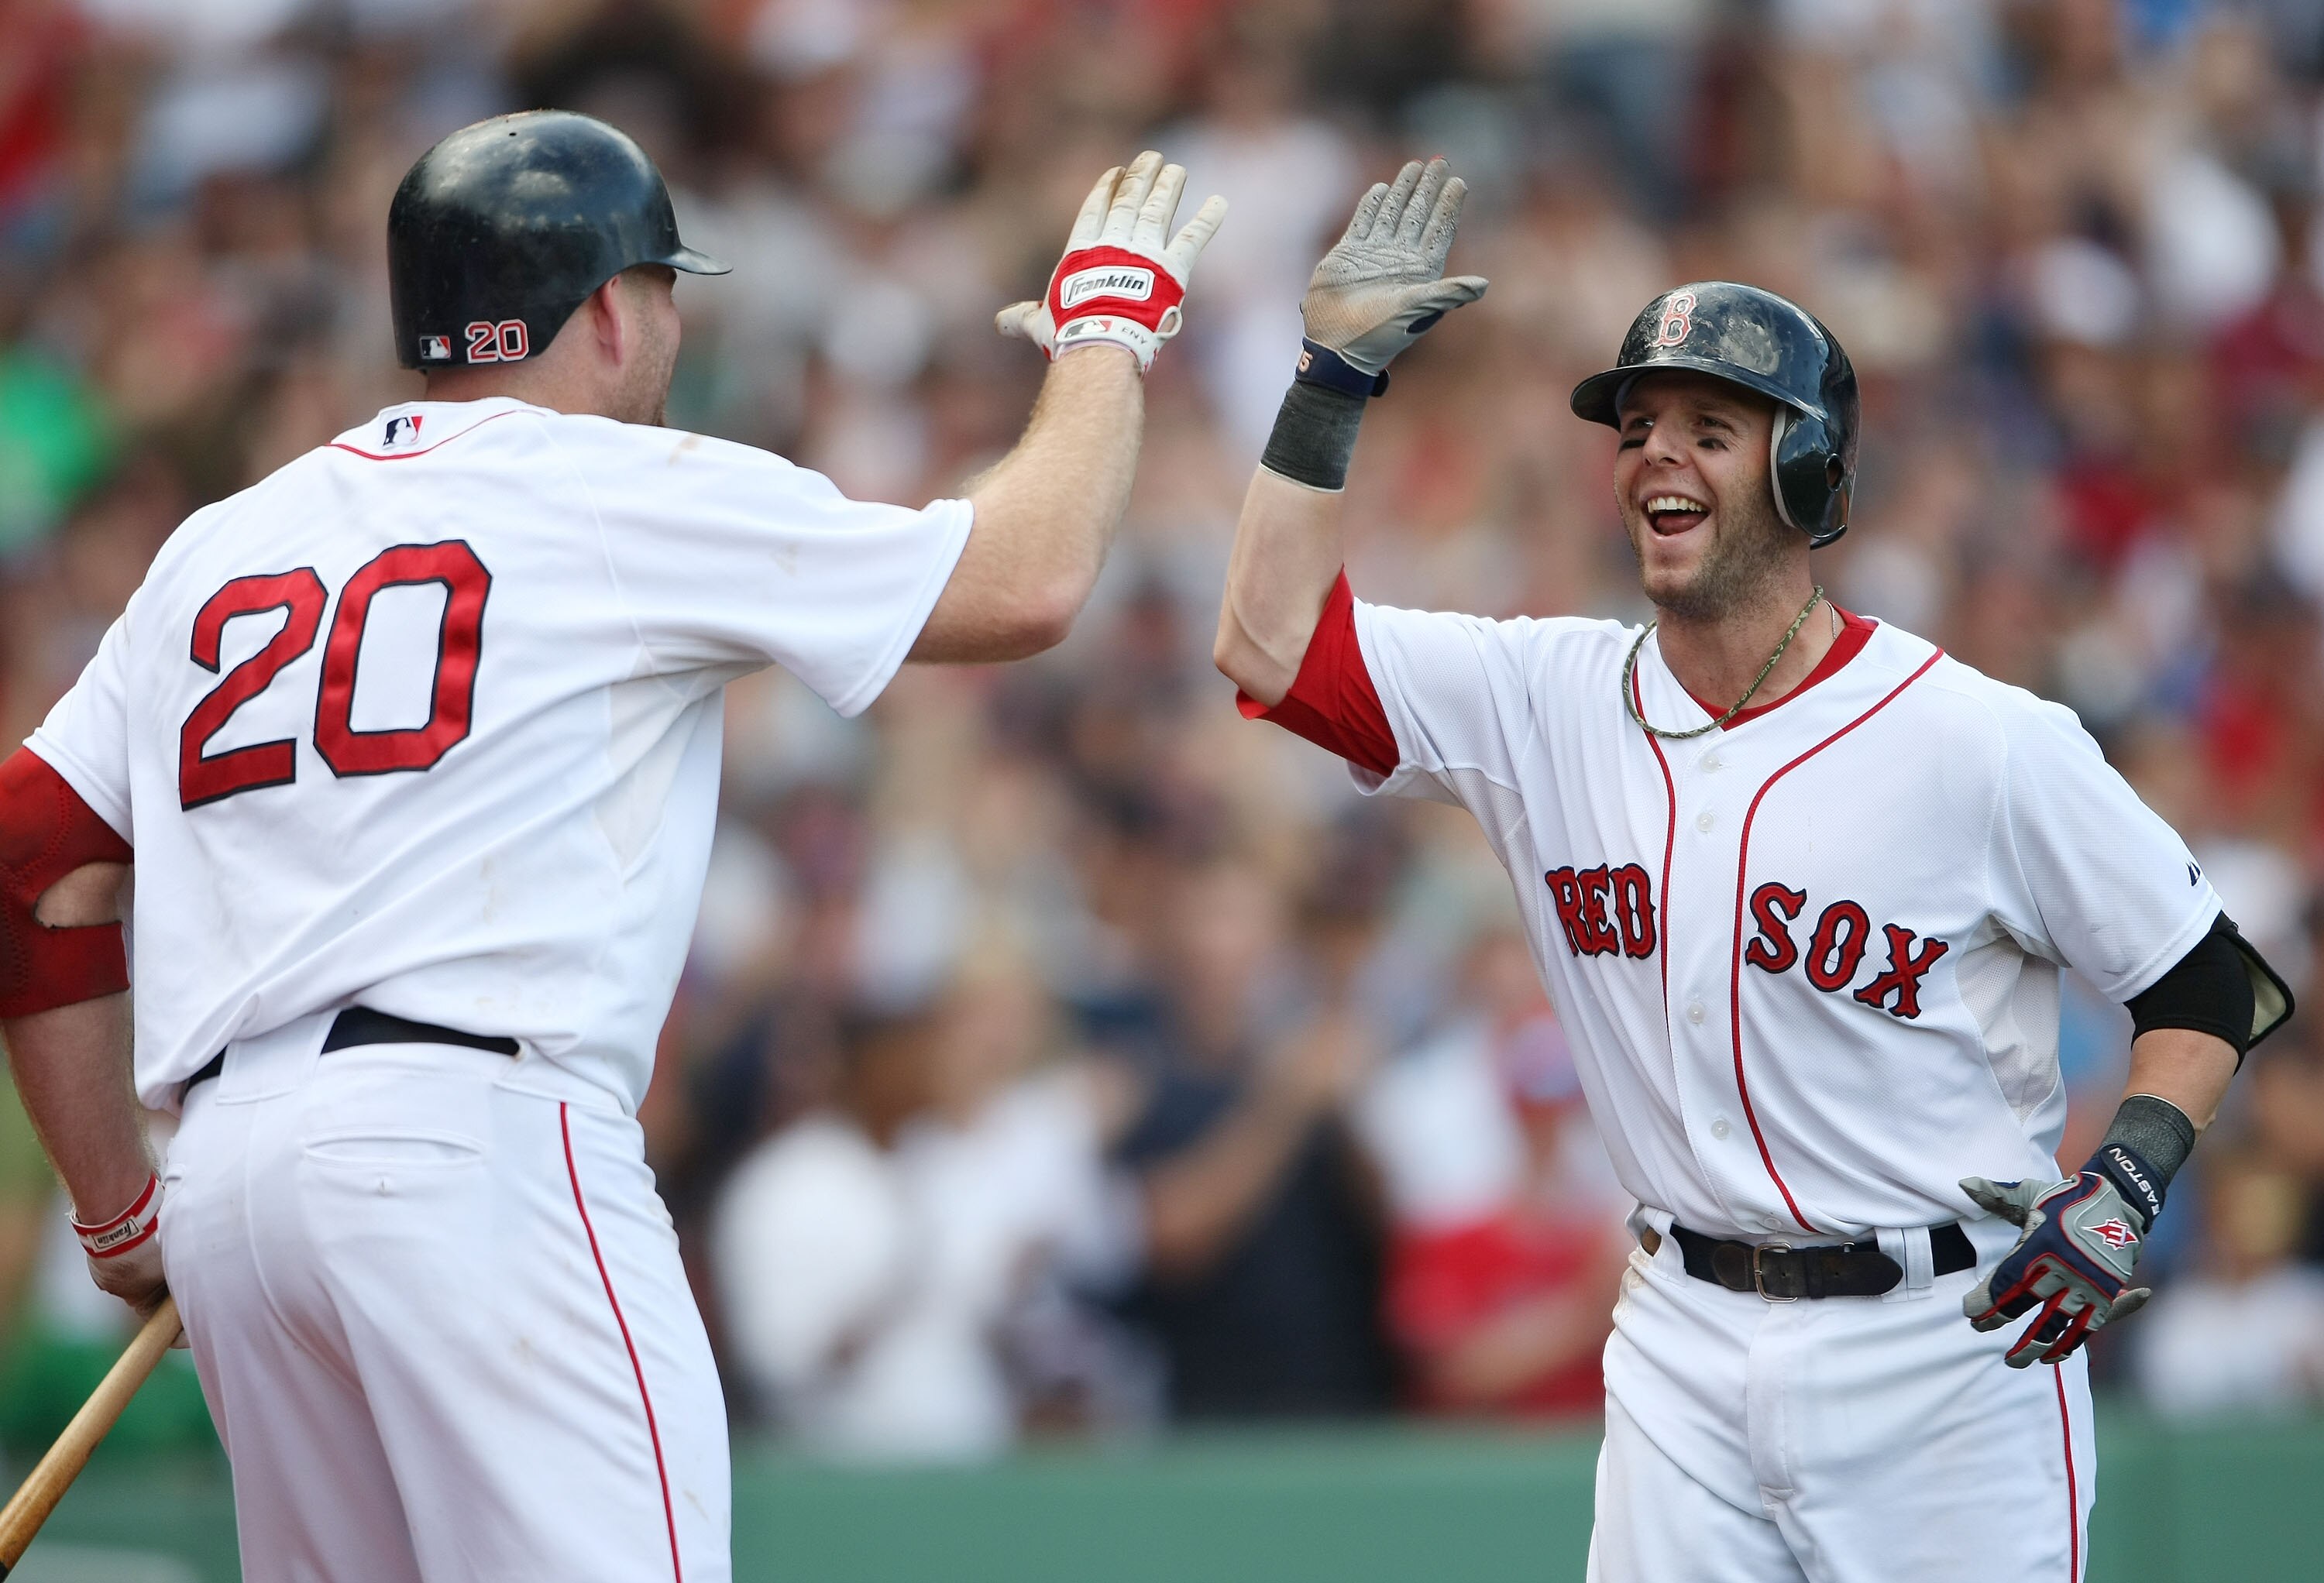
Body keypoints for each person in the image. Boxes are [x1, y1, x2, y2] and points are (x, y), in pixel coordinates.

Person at [0, 111, 1222, 1582]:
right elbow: (1027, 583)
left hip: (233, 1181)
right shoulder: (618, 485)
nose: (671, 328)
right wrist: (1107, 337)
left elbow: (32, 859)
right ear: (600, 308)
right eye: (662, 292)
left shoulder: (223, 541)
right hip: (477, 1148)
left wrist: (120, 1204)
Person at [1212, 156, 2295, 1580]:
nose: (1657, 453)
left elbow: (2212, 984)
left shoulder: (1977, 741)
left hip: (1945, 1342)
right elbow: (1267, 647)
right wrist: (1331, 379)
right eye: (1638, 427)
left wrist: (2129, 1179)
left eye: (1710, 429)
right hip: (1681, 1326)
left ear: (1804, 470)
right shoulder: (1544, 698)